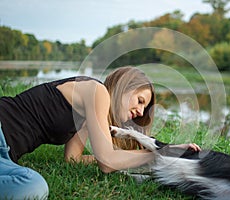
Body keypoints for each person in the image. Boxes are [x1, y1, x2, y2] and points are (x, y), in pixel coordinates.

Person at [0, 66, 200, 199]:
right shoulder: (96, 91)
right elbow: (107, 162)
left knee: (32, 186)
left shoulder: (89, 112)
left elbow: (73, 159)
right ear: (124, 86)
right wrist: (163, 153)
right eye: (140, 101)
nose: (140, 111)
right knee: (33, 186)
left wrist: (128, 156)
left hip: (6, 153)